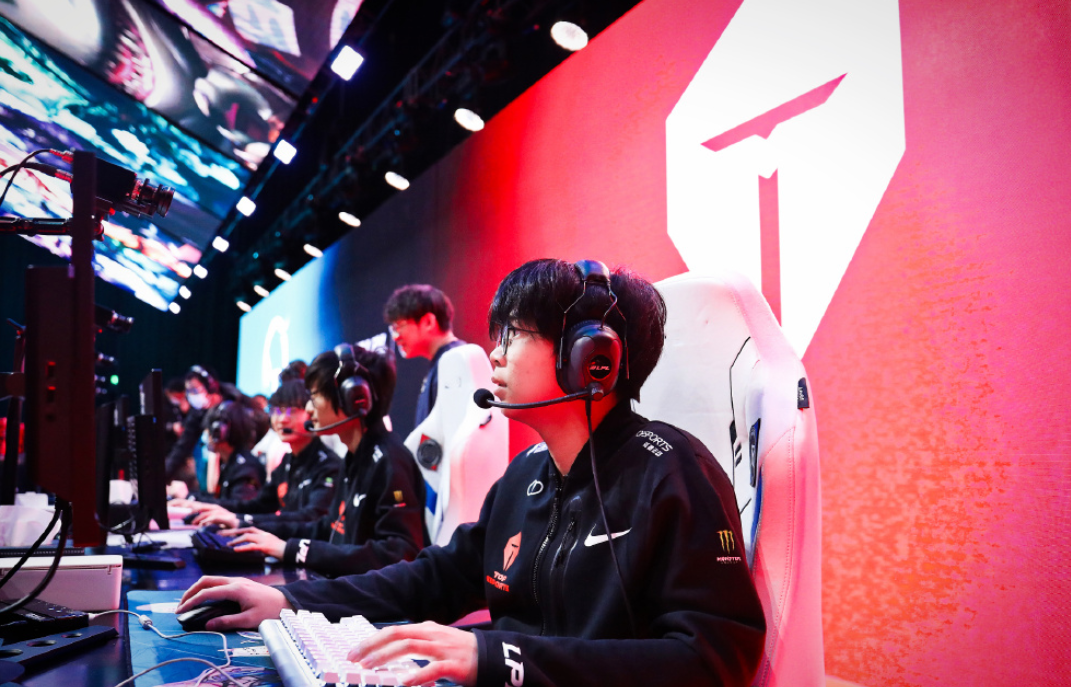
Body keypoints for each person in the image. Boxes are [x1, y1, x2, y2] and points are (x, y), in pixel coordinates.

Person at [178, 258, 766, 687]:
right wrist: (289, 602)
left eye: (515, 335)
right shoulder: (527, 474)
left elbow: (713, 659)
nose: (497, 355)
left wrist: (498, 658)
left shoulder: (673, 471)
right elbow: (433, 578)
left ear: (591, 360)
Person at [202, 345, 427, 578]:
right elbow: (328, 528)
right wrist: (251, 527)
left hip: (371, 597)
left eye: (314, 396)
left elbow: (400, 554)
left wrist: (293, 550)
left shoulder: (389, 461)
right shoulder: (355, 457)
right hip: (346, 587)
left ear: (353, 399)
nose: (309, 409)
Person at [174, 380, 341, 529]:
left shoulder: (328, 466)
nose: (282, 419)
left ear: (312, 412)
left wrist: (243, 520)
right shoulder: (288, 461)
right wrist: (210, 507)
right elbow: (259, 505)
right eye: (277, 411)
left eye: (292, 411)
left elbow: (311, 518)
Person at [383, 284, 466, 426]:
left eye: (399, 326)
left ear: (428, 322)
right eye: (393, 329)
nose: (395, 337)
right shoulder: (443, 362)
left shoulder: (456, 361)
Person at [196, 399, 266, 501]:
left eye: (208, 431)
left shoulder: (245, 469)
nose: (206, 436)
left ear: (219, 432)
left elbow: (236, 507)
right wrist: (191, 497)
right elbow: (219, 499)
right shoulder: (229, 462)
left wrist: (189, 497)